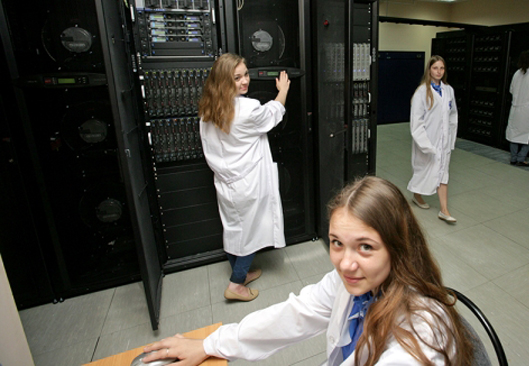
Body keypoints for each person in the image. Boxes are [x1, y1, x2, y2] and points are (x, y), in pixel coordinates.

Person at [141, 176, 475, 365]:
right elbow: (293, 315)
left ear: (398, 246)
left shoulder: (420, 335)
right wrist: (212, 343)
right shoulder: (356, 283)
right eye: (336, 243)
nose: (345, 263)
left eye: (366, 247)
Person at [198, 53, 291, 302]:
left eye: (245, 74)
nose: (244, 81)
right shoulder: (246, 109)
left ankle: (243, 272)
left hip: (226, 182)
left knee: (234, 229)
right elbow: (272, 113)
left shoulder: (208, 110)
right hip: (249, 184)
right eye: (236, 77)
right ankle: (236, 284)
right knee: (250, 234)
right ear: (223, 81)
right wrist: (282, 90)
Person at [407, 55, 458, 224]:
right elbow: (416, 122)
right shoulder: (421, 92)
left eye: (442, 68)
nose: (439, 72)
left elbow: (453, 115)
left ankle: (444, 210)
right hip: (427, 141)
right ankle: (417, 195)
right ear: (429, 69)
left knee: (443, 172)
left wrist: (450, 140)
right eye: (435, 68)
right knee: (423, 171)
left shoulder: (448, 90)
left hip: (443, 141)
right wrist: (427, 145)